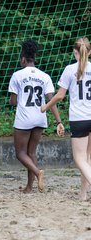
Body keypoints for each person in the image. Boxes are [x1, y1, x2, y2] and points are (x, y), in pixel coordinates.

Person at [9, 39, 63, 193]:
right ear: (35, 58)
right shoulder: (44, 76)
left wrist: (14, 99)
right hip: (40, 117)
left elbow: (13, 102)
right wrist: (59, 121)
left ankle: (38, 172)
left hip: (24, 118)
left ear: (23, 59)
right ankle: (29, 187)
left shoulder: (17, 75)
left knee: (20, 154)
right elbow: (51, 99)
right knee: (31, 153)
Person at [42, 37, 91, 200]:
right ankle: (83, 195)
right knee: (87, 159)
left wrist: (45, 107)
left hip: (80, 118)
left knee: (80, 159)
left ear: (74, 52)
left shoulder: (70, 69)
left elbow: (59, 96)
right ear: (89, 52)